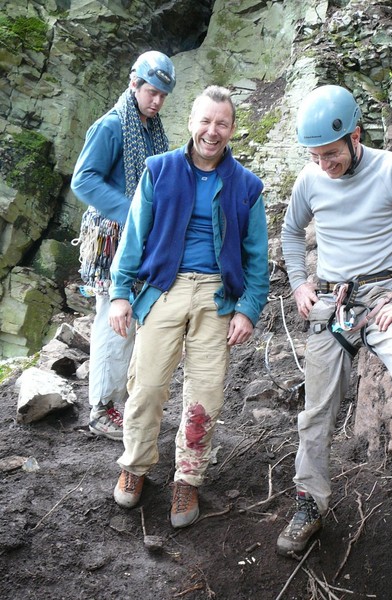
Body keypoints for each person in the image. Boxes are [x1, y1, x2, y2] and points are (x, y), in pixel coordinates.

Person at [277, 84, 392, 557]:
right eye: (314, 156)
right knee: (316, 412)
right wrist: (298, 283)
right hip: (332, 300)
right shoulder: (310, 178)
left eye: (331, 154)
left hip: (382, 295)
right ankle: (309, 502)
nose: (323, 166)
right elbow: (291, 232)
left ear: (356, 135)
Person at [108, 85, 269, 527]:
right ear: (191, 122)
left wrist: (248, 309)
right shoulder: (158, 171)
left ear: (232, 128)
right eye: (205, 121)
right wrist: (121, 293)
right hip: (165, 286)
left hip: (218, 294)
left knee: (206, 393)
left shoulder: (248, 187)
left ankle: (187, 478)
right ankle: (135, 466)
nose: (212, 131)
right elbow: (134, 237)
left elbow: (258, 258)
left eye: (221, 123)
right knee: (147, 385)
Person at [71, 51, 176, 441]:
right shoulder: (112, 126)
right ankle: (102, 408)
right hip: (112, 239)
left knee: (131, 322)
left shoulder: (150, 128)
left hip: (138, 239)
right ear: (134, 85)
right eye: (151, 92)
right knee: (113, 320)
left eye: (163, 95)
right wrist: (135, 209)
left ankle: (121, 400)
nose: (157, 101)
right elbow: (83, 181)